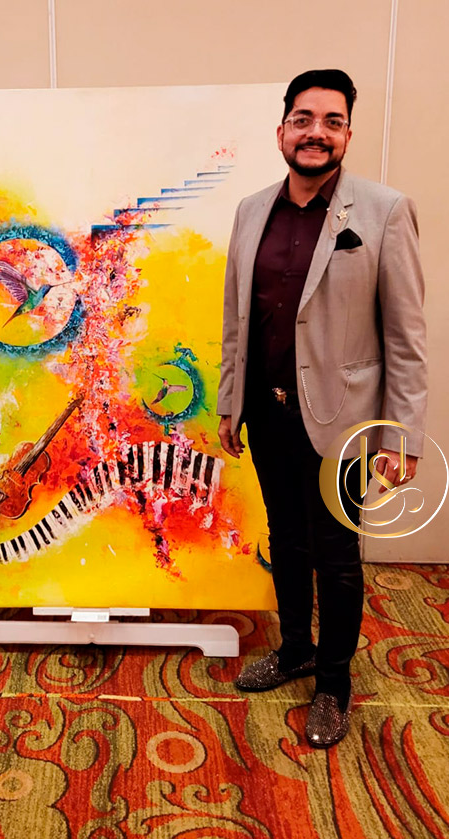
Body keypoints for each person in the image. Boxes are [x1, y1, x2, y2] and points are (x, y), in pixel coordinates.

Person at [217, 70, 427, 747]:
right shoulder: (251, 210)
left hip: (345, 417)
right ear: (282, 131)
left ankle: (333, 683)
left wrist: (403, 433)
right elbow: (236, 318)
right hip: (266, 410)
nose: (317, 132)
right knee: (285, 538)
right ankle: (295, 650)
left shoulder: (385, 211)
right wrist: (229, 402)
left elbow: (406, 336)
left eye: (332, 121)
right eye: (304, 119)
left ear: (347, 134)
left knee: (336, 552)